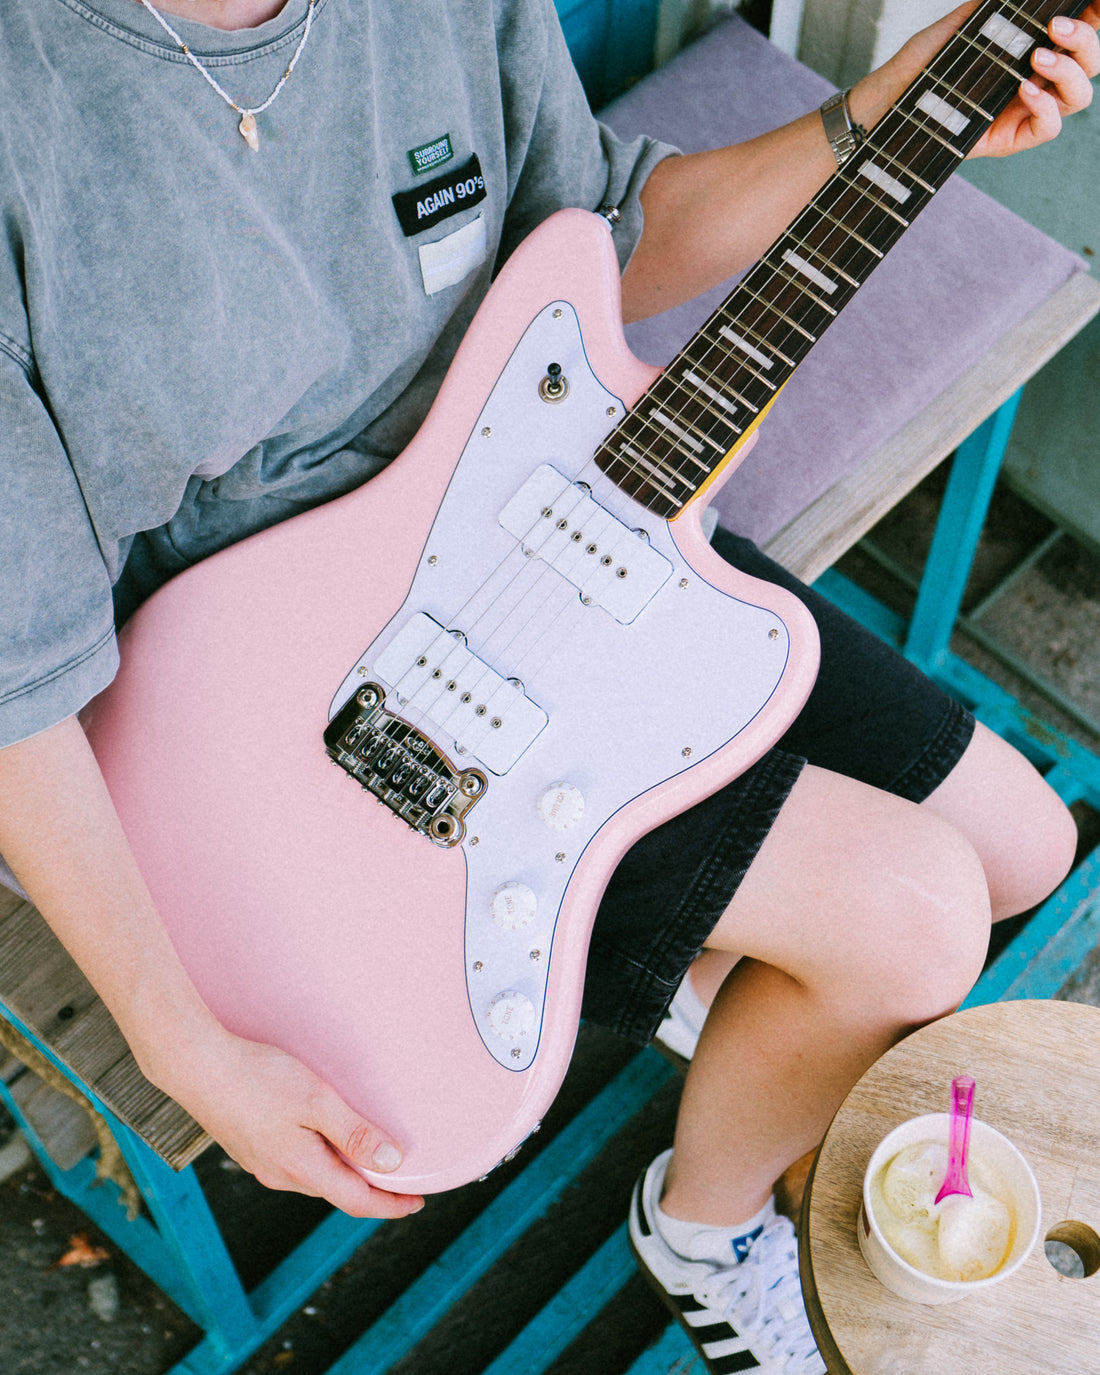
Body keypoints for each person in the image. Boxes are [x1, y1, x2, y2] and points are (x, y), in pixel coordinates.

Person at [0, 1, 1096, 1370]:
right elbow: (11, 668)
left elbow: (592, 247)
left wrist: (879, 114)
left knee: (1024, 846)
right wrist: (186, 1048)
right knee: (919, 923)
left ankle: (710, 974)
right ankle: (702, 1228)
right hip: (281, 708)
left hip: (555, 494)